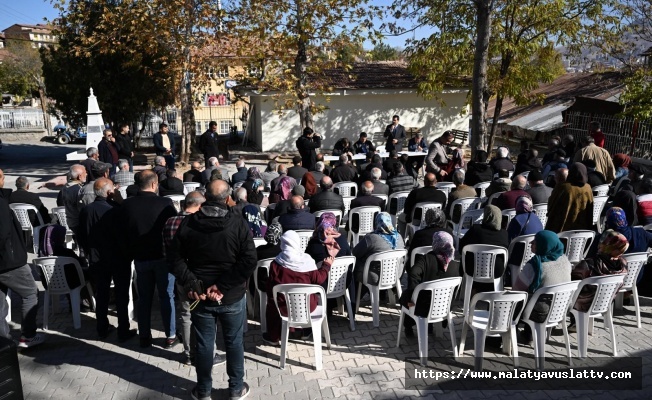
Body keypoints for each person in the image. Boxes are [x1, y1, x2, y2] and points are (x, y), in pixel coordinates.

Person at [169, 179, 256, 400]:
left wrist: (214, 285)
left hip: (215, 294)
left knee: (205, 344)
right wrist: (194, 283)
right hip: (217, 294)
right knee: (232, 342)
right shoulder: (235, 224)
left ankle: (206, 390)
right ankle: (233, 388)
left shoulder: (189, 224)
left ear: (206, 197)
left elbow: (248, 261)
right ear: (227, 199)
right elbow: (176, 259)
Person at [120, 170, 178, 349]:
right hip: (162, 257)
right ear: (154, 184)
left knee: (144, 298)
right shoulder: (165, 203)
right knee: (166, 296)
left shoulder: (127, 205)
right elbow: (174, 227)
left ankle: (144, 336)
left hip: (140, 257)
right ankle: (170, 335)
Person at [78, 178, 136, 341]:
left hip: (97, 259)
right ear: (110, 192)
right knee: (121, 294)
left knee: (101, 294)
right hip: (118, 258)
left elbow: (81, 235)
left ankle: (101, 327)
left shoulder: (86, 210)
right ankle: (123, 329)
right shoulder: (115, 209)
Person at [162, 191, 213, 366]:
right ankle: (207, 353)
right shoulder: (199, 223)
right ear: (199, 206)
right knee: (205, 314)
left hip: (179, 276)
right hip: (198, 276)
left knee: (185, 314)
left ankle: (189, 354)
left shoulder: (169, 222)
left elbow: (166, 251)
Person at [264, 231, 333, 346]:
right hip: (307, 307)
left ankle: (274, 337)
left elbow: (270, 288)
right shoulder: (306, 261)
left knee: (272, 303)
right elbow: (319, 279)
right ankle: (305, 331)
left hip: (284, 308)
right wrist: (326, 266)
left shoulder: (276, 264)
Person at [0, 195, 45, 348]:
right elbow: (3, 233)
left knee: (0, 303)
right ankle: (28, 335)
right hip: (9, 262)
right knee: (30, 293)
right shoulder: (1, 202)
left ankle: (4, 342)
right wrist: (12, 255)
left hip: (6, 261)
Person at [513, 230, 571, 341]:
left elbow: (517, 290)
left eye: (535, 242)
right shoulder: (565, 260)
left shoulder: (534, 265)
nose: (531, 243)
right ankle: (529, 333)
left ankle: (505, 338)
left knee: (511, 302)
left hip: (541, 313)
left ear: (544, 245)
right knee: (536, 296)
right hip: (561, 309)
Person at [399, 231, 457, 337]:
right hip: (444, 307)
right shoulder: (455, 265)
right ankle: (431, 327)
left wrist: (413, 295)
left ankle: (408, 327)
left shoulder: (426, 259)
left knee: (406, 296)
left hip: (423, 307)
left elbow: (413, 273)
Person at [571, 230, 627, 313]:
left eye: (603, 242)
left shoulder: (589, 263)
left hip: (584, 304)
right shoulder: (623, 264)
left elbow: (573, 280)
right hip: (605, 302)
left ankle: (575, 323)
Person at [353, 212, 405, 286]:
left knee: (355, 263)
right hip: (396, 275)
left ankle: (356, 295)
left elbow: (355, 252)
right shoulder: (399, 237)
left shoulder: (371, 238)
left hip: (376, 278)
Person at [545, 162, 594, 233]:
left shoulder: (563, 187)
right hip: (582, 228)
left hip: (562, 229)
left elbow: (551, 206)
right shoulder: (588, 187)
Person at [406, 208, 453, 274]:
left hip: (422, 269)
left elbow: (411, 253)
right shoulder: (449, 233)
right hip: (443, 269)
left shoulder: (419, 234)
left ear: (427, 219)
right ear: (442, 218)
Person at [56, 164, 87, 238]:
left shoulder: (66, 187)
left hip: (70, 221)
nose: (86, 174)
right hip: (77, 222)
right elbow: (81, 208)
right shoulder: (78, 190)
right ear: (79, 176)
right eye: (85, 173)